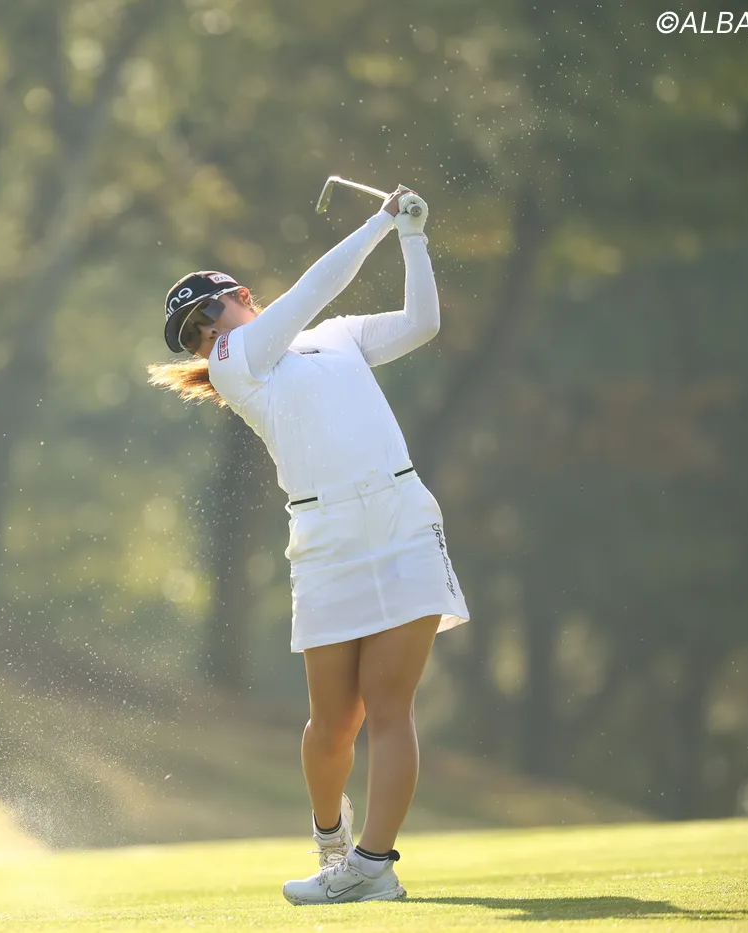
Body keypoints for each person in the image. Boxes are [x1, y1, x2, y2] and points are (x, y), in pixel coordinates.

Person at [147, 186, 469, 904]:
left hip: (402, 516)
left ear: (241, 297)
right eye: (193, 333)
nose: (205, 334)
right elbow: (314, 288)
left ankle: (372, 866)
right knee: (335, 722)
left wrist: (413, 238)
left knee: (390, 707)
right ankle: (331, 841)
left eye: (208, 314)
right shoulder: (235, 362)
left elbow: (422, 323)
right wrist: (381, 221)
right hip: (326, 538)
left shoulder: (340, 336)